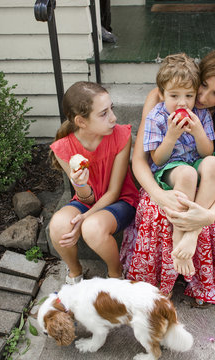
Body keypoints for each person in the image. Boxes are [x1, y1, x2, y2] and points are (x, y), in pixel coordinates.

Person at [120, 46, 215, 305]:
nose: (200, 97)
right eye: (202, 85)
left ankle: (189, 240)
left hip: (204, 186)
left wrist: (205, 218)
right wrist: (160, 196)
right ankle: (160, 283)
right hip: (167, 178)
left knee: (208, 172)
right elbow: (141, 161)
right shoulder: (162, 99)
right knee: (157, 208)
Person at [48, 81, 138, 284]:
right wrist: (80, 185)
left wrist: (85, 218)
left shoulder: (121, 136)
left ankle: (116, 274)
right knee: (58, 225)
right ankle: (75, 273)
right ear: (81, 121)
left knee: (91, 227)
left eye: (111, 109)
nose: (113, 118)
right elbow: (85, 197)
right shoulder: (64, 148)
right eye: (103, 113)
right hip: (89, 200)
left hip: (121, 201)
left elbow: (114, 192)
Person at [143, 53, 215, 278]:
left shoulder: (201, 114)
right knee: (187, 173)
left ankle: (192, 234)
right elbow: (156, 159)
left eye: (189, 95)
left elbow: (207, 152)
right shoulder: (156, 118)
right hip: (169, 170)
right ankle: (179, 233)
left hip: (195, 162)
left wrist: (198, 131)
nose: (182, 102)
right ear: (161, 94)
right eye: (174, 95)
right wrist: (171, 136)